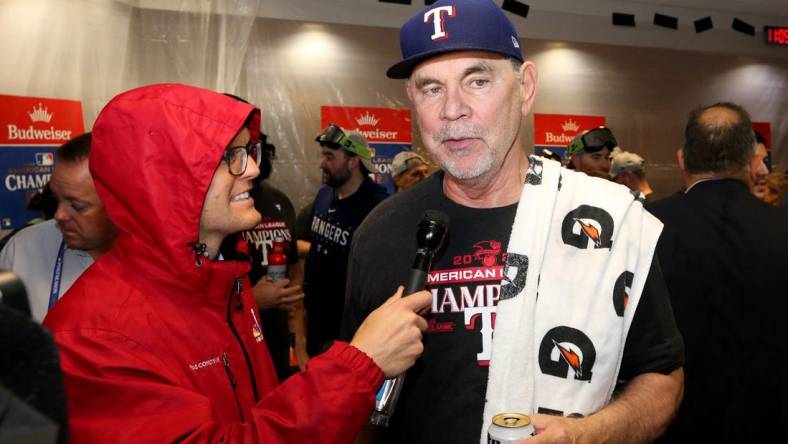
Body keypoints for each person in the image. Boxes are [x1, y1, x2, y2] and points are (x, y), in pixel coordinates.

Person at [340, 1, 684, 443]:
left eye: (478, 81)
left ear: (525, 88)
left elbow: (662, 379)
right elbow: (358, 402)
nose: (452, 110)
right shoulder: (379, 232)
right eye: (431, 89)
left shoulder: (606, 221)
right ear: (412, 100)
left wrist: (586, 436)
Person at [43, 83, 432, 443]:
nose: (252, 169)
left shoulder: (222, 283)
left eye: (249, 151)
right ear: (163, 179)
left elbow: (254, 415)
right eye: (231, 156)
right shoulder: (90, 339)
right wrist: (359, 365)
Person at [647, 102, 788, 442]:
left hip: (670, 423)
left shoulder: (645, 227)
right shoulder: (780, 228)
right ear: (753, 164)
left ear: (682, 160)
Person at [0, 133, 116, 322]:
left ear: (118, 204)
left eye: (77, 206)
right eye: (56, 198)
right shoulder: (21, 250)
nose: (59, 215)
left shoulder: (158, 259)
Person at [304, 125, 388, 356]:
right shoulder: (324, 195)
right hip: (316, 325)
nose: (322, 164)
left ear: (353, 161)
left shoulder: (377, 208)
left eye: (330, 157)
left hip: (352, 334)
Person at [239, 129, 305, 381]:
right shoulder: (217, 210)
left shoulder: (280, 202)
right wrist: (252, 299)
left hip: (277, 337)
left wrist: (299, 343)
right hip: (239, 339)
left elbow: (293, 272)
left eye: (256, 151)